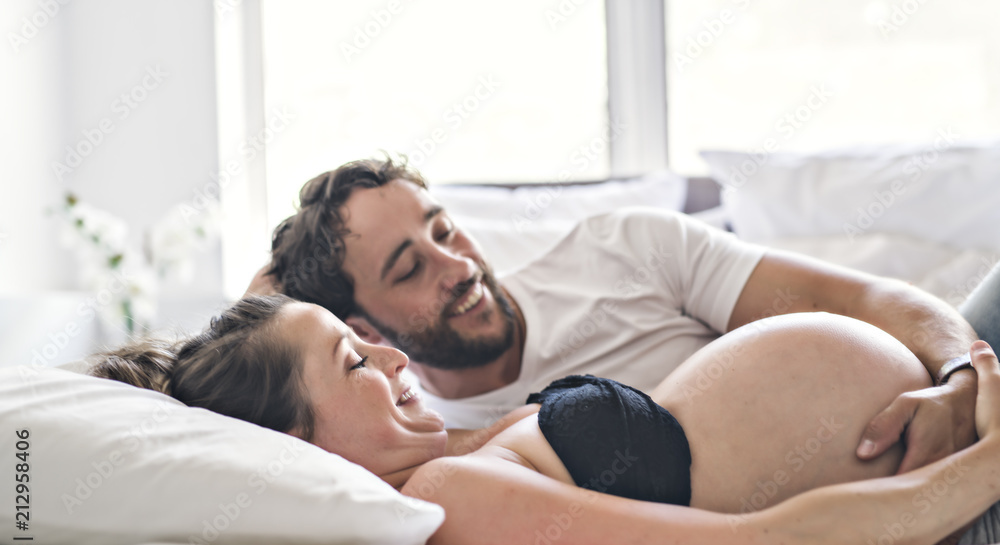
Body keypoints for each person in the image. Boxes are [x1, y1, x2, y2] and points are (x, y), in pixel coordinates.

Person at [89, 294, 1000, 545]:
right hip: (964, 486)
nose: (398, 359)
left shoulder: (463, 455)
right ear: (304, 442)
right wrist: (986, 465)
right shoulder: (450, 493)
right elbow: (758, 542)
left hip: (954, 416)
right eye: (356, 362)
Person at [249, 156, 997, 476]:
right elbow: (241, 376)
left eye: (444, 229)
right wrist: (269, 298)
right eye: (409, 268)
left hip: (963, 389)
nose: (457, 267)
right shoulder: (425, 438)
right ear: (366, 331)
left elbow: (863, 300)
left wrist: (962, 376)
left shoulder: (627, 247)